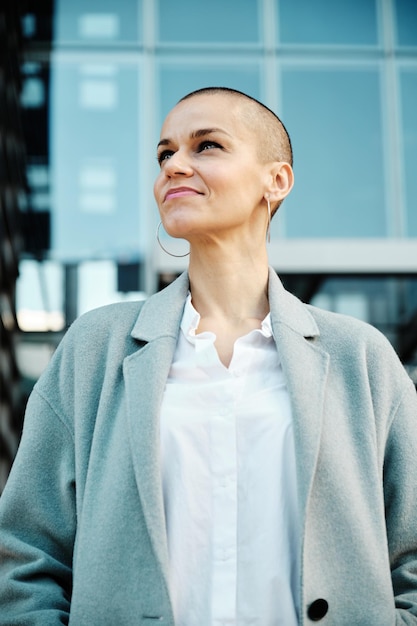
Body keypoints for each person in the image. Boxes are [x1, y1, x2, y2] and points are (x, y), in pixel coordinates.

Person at [0, 87, 417, 626]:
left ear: (277, 179)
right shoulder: (94, 350)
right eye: (165, 154)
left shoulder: (362, 358)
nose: (175, 166)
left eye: (207, 146)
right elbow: (26, 553)